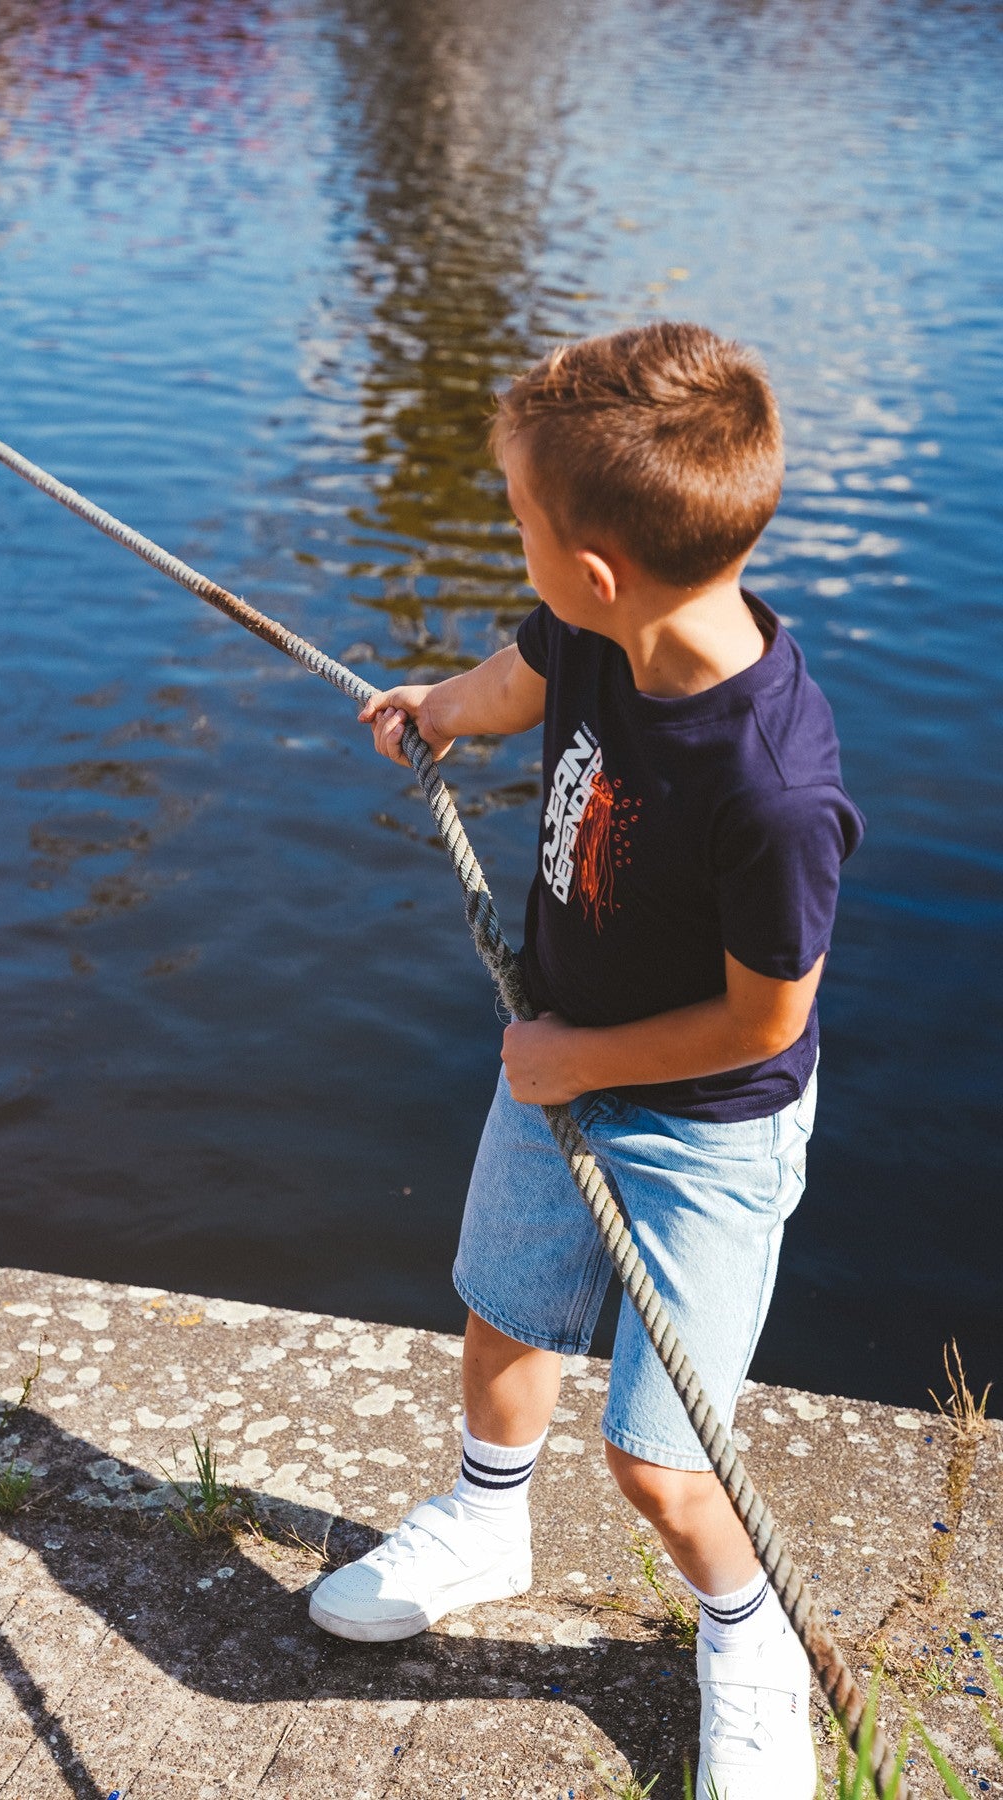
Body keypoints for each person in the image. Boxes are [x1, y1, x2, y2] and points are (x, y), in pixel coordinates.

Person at [309, 322, 864, 1799]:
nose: (517, 555)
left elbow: (768, 1023)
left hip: (701, 1126)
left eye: (522, 529)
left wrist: (573, 1061)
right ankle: (491, 1520)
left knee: (662, 1463)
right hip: (559, 1064)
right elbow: (527, 666)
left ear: (603, 566)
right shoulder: (601, 632)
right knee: (504, 1318)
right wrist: (436, 709)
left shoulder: (772, 786)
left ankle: (746, 1641)